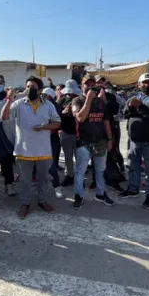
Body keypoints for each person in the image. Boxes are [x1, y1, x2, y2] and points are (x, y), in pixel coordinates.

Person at [1, 76, 61, 219]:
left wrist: (44, 127)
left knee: (44, 179)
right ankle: (25, 204)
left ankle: (43, 201)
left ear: (40, 90)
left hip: (43, 150)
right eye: (27, 86)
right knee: (25, 180)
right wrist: (9, 99)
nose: (29, 89)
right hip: (23, 150)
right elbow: (4, 117)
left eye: (33, 87)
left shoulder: (48, 105)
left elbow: (57, 123)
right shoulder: (18, 104)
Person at [71, 75, 115, 209]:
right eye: (87, 84)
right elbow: (80, 118)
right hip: (83, 142)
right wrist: (88, 99)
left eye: (92, 84)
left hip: (100, 142)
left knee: (100, 170)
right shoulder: (76, 100)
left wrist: (109, 139)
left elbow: (106, 121)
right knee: (80, 171)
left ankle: (100, 194)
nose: (90, 86)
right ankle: (79, 196)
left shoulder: (101, 102)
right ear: (81, 86)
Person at [119, 73, 149, 208]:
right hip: (134, 140)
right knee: (133, 167)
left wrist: (140, 107)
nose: (146, 85)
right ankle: (133, 189)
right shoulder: (133, 97)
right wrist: (130, 106)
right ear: (138, 85)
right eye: (144, 82)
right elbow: (124, 114)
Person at [57, 79, 81, 186]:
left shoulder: (80, 100)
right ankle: (69, 176)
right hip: (65, 132)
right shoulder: (61, 100)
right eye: (69, 92)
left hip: (78, 133)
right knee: (68, 157)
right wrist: (62, 112)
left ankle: (79, 178)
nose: (70, 94)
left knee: (79, 157)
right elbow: (54, 116)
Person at [42, 87, 64, 198]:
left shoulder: (55, 107)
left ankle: (57, 186)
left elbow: (56, 124)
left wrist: (44, 129)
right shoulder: (40, 106)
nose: (43, 97)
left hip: (51, 140)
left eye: (46, 96)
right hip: (39, 140)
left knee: (51, 166)